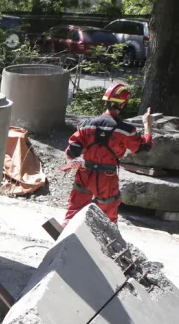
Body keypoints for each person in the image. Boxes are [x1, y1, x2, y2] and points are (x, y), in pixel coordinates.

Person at [63, 83, 153, 225]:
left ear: (106, 101)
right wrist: (148, 125)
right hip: (106, 178)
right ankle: (105, 244)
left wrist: (75, 160)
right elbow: (143, 147)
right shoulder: (126, 130)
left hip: (85, 173)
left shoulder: (85, 124)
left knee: (74, 212)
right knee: (108, 218)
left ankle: (64, 235)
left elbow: (72, 149)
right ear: (123, 104)